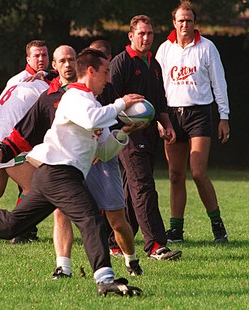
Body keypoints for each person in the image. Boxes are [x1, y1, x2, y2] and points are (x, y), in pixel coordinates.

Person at [0, 48, 144, 297]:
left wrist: (123, 133)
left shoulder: (92, 103)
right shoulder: (76, 98)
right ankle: (105, 280)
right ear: (90, 72)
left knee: (11, 225)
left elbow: (105, 151)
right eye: (105, 72)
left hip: (53, 176)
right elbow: (91, 120)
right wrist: (122, 104)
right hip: (60, 174)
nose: (108, 78)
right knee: (91, 219)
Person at [0, 43, 142, 279]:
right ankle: (65, 267)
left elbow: (105, 136)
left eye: (71, 59)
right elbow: (26, 131)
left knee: (115, 219)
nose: (67, 64)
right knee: (66, 213)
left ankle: (130, 260)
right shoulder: (50, 96)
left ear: (79, 64)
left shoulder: (102, 89)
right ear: (55, 66)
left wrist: (124, 131)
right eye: (62, 61)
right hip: (65, 169)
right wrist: (4, 151)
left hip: (98, 161)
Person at [156, 1, 230, 243]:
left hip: (199, 114)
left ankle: (217, 225)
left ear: (194, 22)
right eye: (180, 20)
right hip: (171, 116)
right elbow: (157, 86)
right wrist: (159, 117)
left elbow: (219, 84)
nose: (185, 24)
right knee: (176, 175)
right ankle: (176, 230)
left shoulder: (207, 48)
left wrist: (224, 117)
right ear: (174, 23)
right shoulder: (165, 48)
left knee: (198, 172)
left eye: (189, 20)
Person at [110, 15, 182, 260]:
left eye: (150, 33)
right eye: (141, 33)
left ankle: (115, 242)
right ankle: (155, 245)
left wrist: (167, 124)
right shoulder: (121, 63)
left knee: (132, 190)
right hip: (128, 136)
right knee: (144, 188)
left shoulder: (154, 63)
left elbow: (160, 100)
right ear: (131, 36)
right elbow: (108, 100)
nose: (146, 38)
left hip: (150, 134)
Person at [0, 40, 50, 243]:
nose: (41, 59)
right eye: (37, 56)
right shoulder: (42, 86)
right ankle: (19, 231)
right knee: (34, 188)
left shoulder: (15, 79)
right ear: (28, 59)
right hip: (5, 141)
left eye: (44, 55)